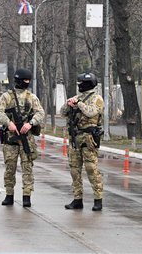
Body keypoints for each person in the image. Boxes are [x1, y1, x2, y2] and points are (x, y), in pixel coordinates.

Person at [0, 68, 45, 207]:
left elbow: (40, 113)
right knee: (10, 168)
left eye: (28, 81)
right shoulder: (7, 96)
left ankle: (26, 196)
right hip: (11, 139)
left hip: (26, 138)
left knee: (27, 167)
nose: (26, 83)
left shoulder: (32, 97)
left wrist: (30, 124)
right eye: (25, 80)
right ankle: (9, 195)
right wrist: (9, 123)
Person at [61, 72, 105, 211]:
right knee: (74, 169)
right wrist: (69, 104)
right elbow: (62, 112)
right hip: (75, 138)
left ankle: (98, 199)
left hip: (89, 138)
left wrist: (79, 104)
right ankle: (77, 198)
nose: (79, 86)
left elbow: (91, 112)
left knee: (91, 168)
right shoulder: (76, 98)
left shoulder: (96, 98)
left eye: (81, 83)